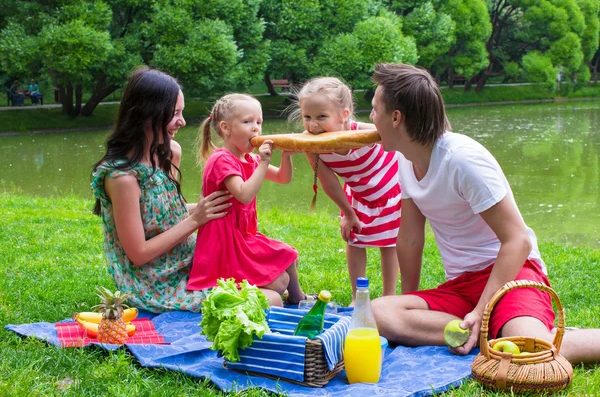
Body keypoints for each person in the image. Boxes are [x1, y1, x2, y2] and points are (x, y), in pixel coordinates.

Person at [369, 62, 600, 365]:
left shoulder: (463, 160)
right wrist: (407, 303)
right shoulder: (404, 161)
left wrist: (480, 312)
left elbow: (518, 241)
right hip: (461, 285)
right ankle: (494, 335)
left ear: (396, 118)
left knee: (534, 351)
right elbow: (411, 239)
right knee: (377, 312)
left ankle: (512, 334)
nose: (370, 118)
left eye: (374, 110)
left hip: (510, 275)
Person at [90, 67, 233, 313]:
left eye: (182, 112)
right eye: (175, 113)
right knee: (267, 297)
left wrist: (205, 206)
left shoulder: (170, 152)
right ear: (147, 114)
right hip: (153, 283)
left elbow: (168, 215)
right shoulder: (122, 177)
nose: (183, 121)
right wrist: (197, 219)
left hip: (189, 262)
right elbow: (139, 254)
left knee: (275, 278)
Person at [187, 93, 312, 307]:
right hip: (224, 245)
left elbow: (283, 178)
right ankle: (263, 294)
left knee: (289, 256)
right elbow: (244, 195)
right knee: (280, 280)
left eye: (259, 122)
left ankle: (297, 297)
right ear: (226, 128)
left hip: (243, 237)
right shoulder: (221, 159)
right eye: (248, 122)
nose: (256, 128)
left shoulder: (249, 158)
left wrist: (286, 156)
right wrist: (263, 162)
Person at [291, 77, 401, 305]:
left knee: (388, 243)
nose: (313, 125)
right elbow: (329, 183)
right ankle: (357, 296)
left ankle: (390, 297)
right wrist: (349, 214)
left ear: (344, 115)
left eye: (322, 117)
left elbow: (397, 134)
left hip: (390, 186)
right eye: (307, 117)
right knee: (354, 240)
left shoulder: (365, 132)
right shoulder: (312, 146)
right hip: (359, 193)